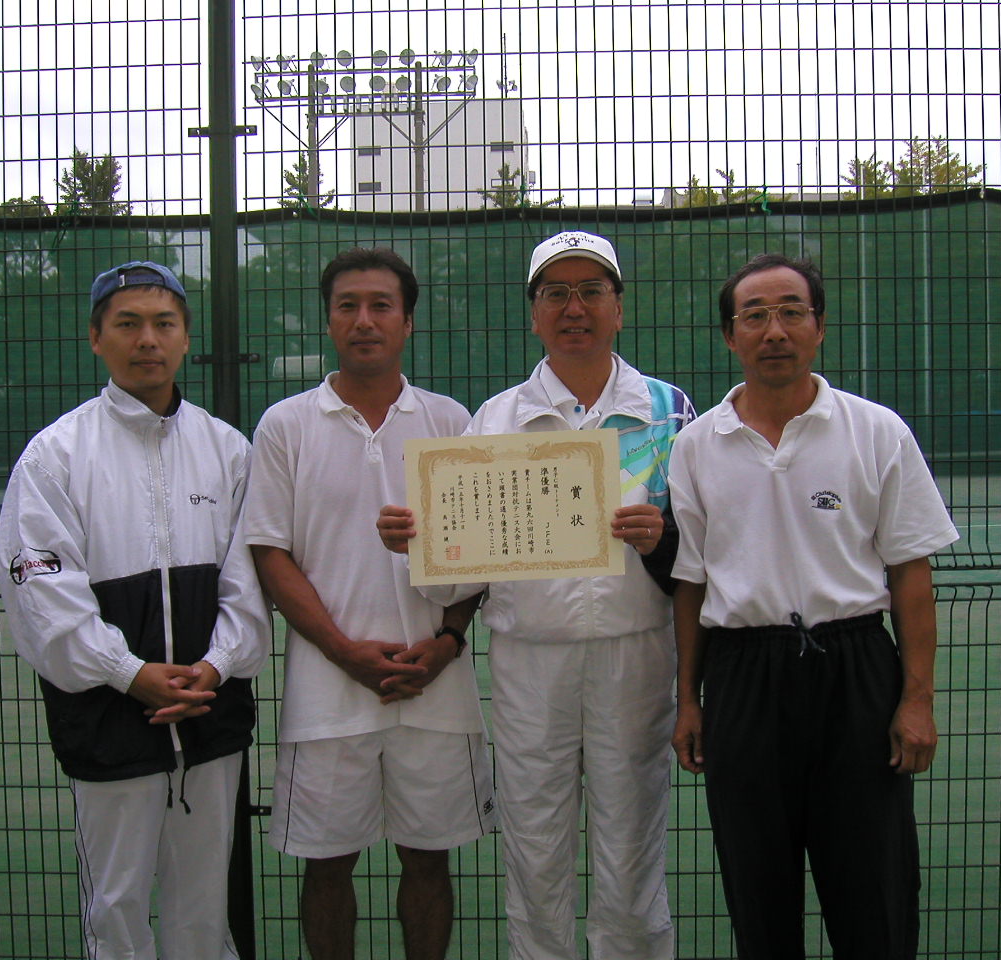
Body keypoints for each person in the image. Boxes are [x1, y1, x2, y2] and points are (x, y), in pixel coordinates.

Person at [379, 230, 694, 960]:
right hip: (529, 660)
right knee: (534, 844)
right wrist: (419, 542)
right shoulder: (495, 420)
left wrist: (662, 538)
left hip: (638, 655)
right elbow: (464, 574)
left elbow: (703, 549)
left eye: (592, 291)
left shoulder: (670, 410)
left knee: (632, 846)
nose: (574, 308)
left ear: (619, 307)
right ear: (534, 313)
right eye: (556, 293)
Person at [669, 253, 960, 959]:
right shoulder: (696, 445)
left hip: (857, 672)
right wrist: (688, 700)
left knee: (873, 895)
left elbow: (910, 574)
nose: (774, 330)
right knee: (759, 896)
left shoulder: (876, 431)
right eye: (754, 315)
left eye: (791, 312)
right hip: (743, 678)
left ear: (819, 327)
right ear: (730, 335)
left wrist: (916, 699)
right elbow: (692, 582)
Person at [0, 261, 271, 960]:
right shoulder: (54, 456)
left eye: (163, 323)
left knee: (202, 908)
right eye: (127, 324)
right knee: (116, 909)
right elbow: (43, 594)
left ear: (185, 337)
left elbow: (249, 584)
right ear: (96, 338)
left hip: (209, 721)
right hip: (109, 724)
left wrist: (215, 666)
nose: (147, 339)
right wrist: (129, 673)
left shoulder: (227, 449)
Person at [241, 247, 495, 960]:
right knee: (327, 868)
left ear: (408, 322)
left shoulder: (450, 421)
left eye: (381, 305)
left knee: (428, 861)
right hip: (327, 696)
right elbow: (271, 553)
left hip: (436, 687)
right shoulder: (285, 424)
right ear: (328, 320)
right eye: (347, 306)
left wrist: (446, 644)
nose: (364, 320)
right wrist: (344, 651)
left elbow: (479, 552)